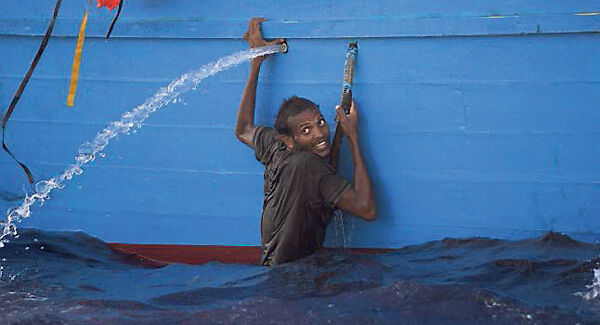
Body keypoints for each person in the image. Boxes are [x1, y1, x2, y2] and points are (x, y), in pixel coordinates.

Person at [236, 18, 376, 266]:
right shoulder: (311, 168)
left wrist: (256, 63)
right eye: (307, 130)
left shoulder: (276, 147)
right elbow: (367, 210)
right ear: (289, 140)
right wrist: (353, 137)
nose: (320, 134)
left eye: (321, 122)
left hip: (272, 269)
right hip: (298, 280)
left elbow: (243, 129)